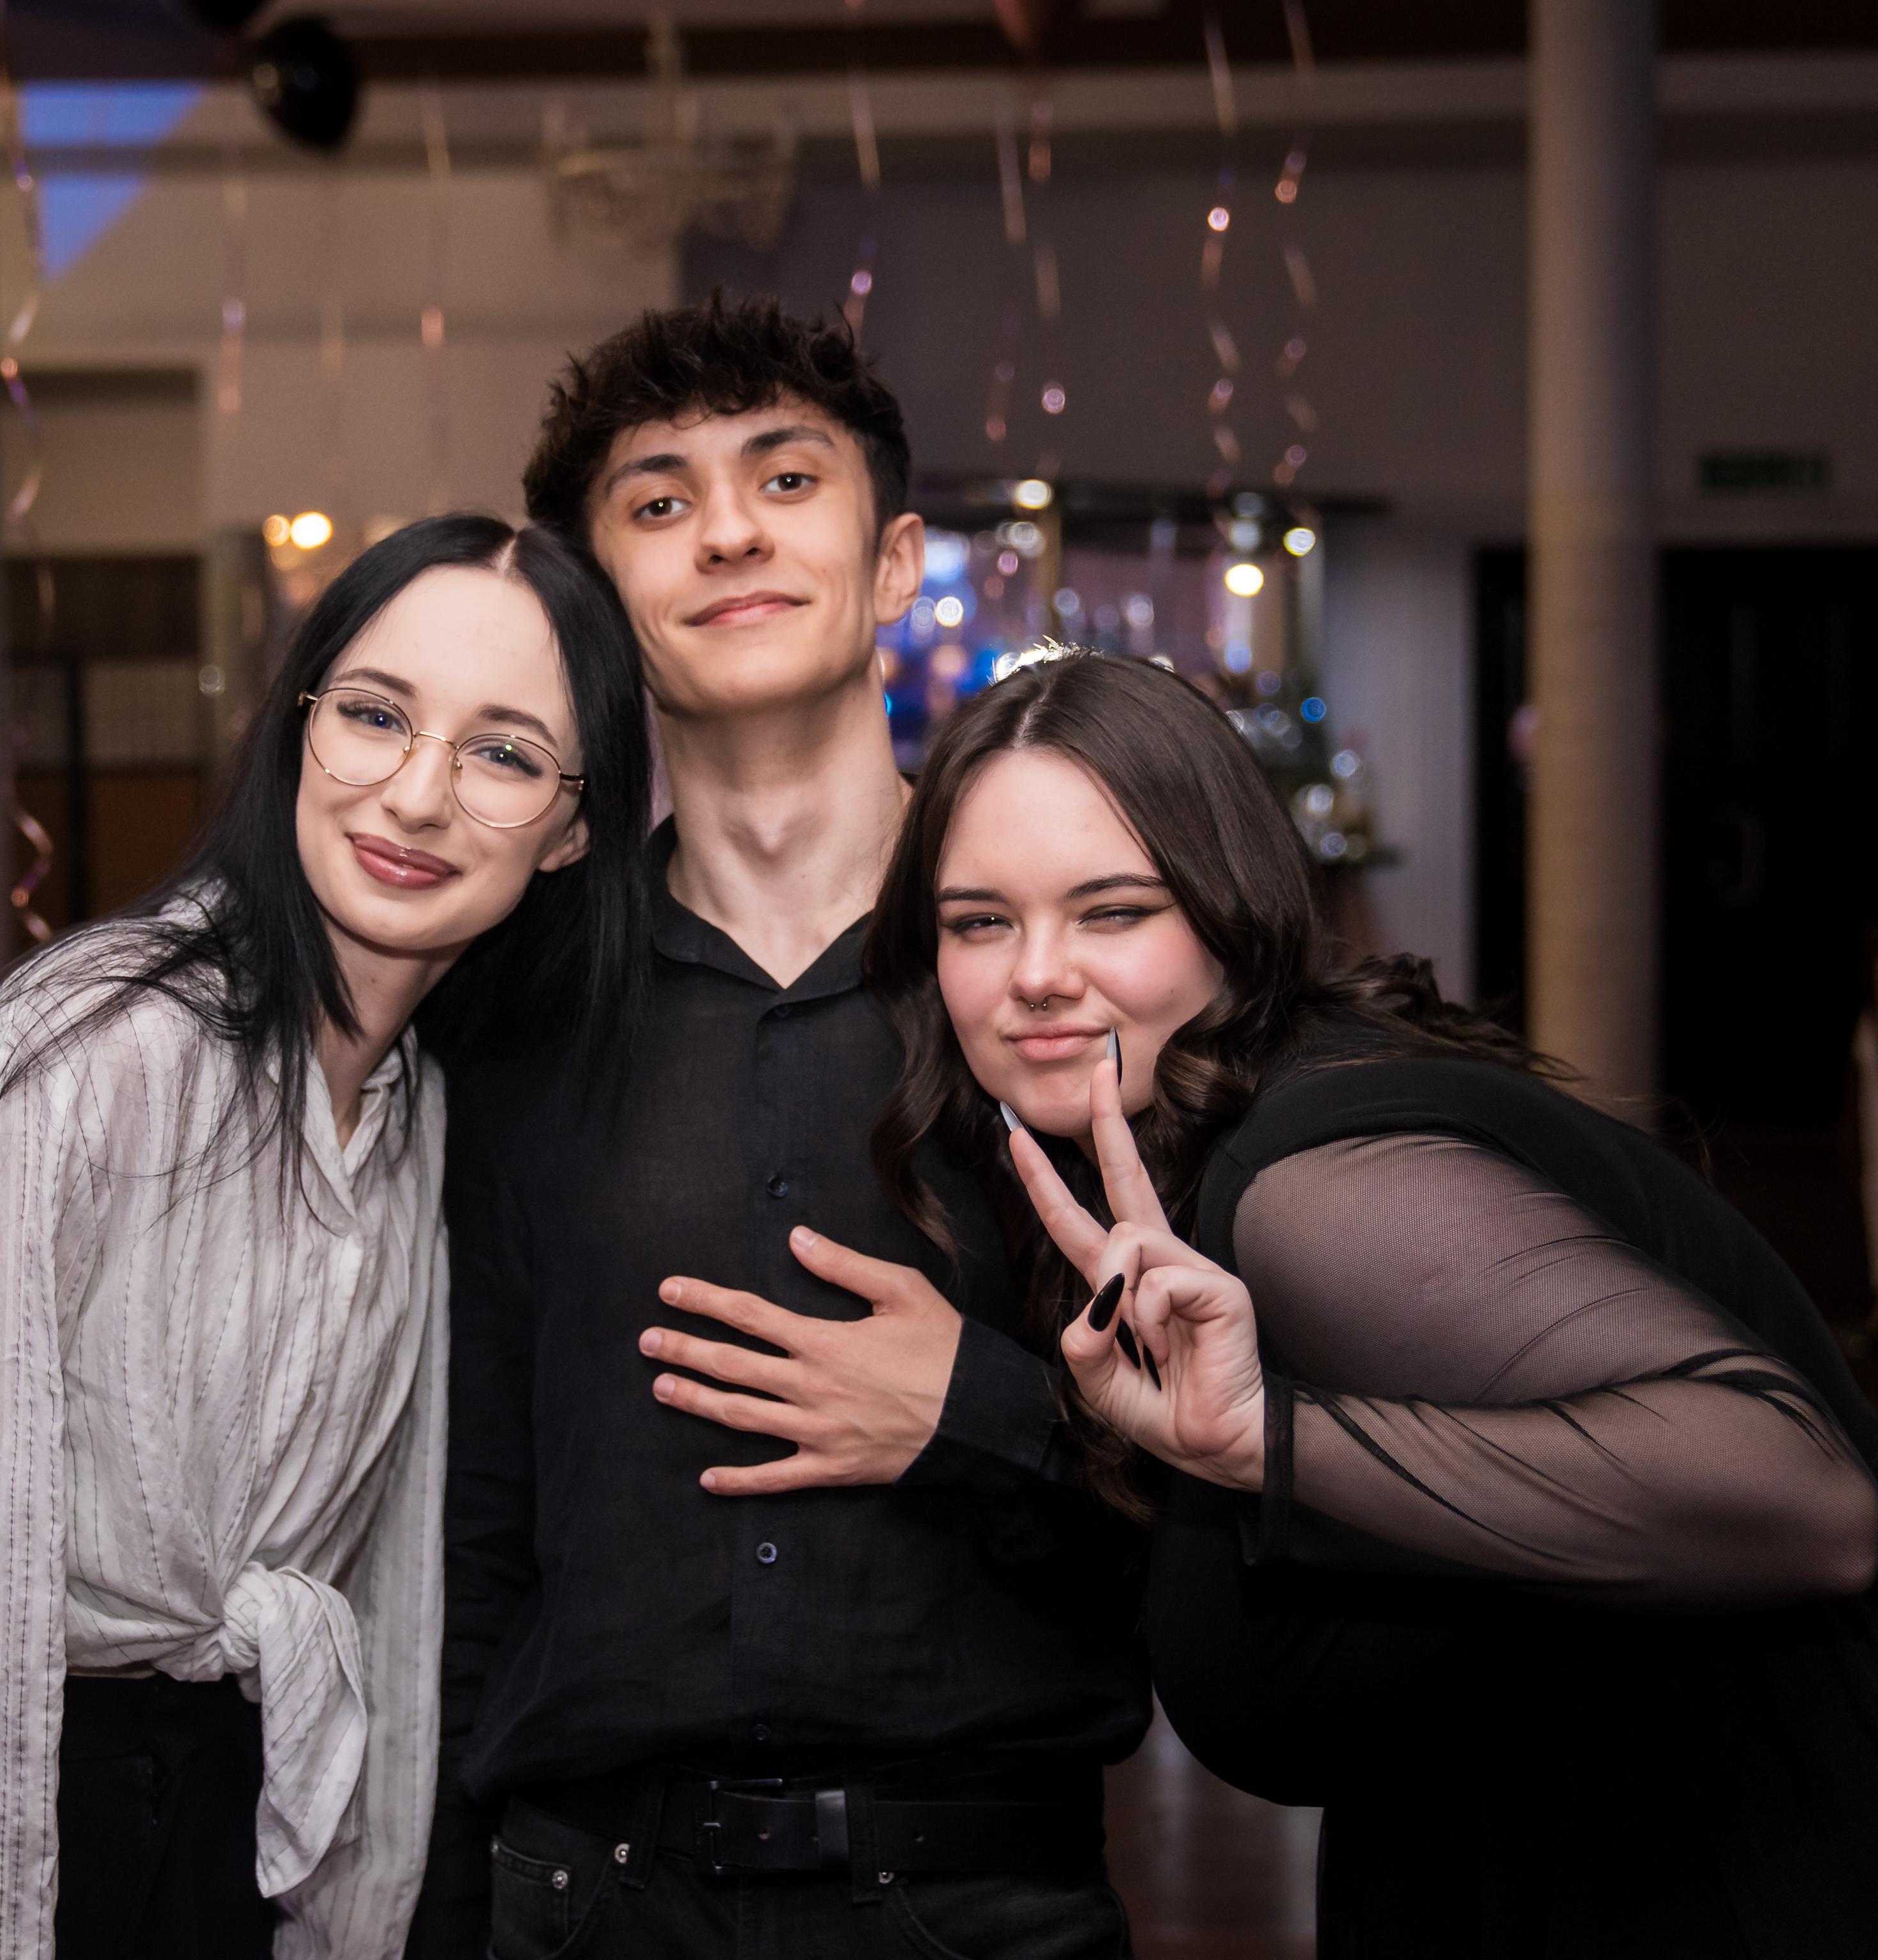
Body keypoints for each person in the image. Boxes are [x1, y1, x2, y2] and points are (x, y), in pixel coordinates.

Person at [844, 646, 1878, 1955]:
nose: (1036, 973)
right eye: (980, 922)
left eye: (1113, 911)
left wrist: (1267, 1440)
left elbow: (1810, 1505)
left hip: (1782, 1873)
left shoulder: (1313, 1185)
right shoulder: (1175, 1159)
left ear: (1230, 909)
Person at [0, 515, 654, 1960]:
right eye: (375, 715)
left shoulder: (418, 1113)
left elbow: (388, 1591)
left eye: (504, 753)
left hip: (210, 1838)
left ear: (574, 829)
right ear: (297, 725)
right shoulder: (82, 1062)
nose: (415, 795)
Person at [409, 299, 1151, 1959]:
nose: (730, 530)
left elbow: (1220, 1487)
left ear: (893, 566)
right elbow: (471, 1525)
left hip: (982, 1906)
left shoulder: (1065, 988)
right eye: (660, 499)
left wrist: (974, 1412)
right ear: (596, 601)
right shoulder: (506, 1004)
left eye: (786, 478)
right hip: (585, 1905)